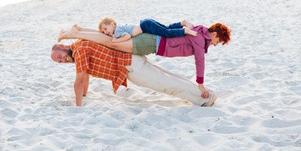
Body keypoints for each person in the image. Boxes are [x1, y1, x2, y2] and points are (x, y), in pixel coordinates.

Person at [57, 22, 231, 99]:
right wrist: (200, 84)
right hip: (149, 43)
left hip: (151, 41)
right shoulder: (200, 39)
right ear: (214, 34)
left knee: (112, 39)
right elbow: (200, 62)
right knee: (112, 42)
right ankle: (74, 33)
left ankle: (79, 29)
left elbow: (172, 28)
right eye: (218, 41)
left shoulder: (197, 31)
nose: (216, 44)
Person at [51, 40, 217, 107]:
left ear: (63, 46)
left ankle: (204, 98)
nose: (62, 61)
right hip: (131, 60)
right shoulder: (79, 47)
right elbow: (84, 75)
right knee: (167, 77)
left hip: (130, 65)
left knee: (165, 84)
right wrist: (84, 95)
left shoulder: (78, 50)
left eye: (60, 57)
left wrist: (78, 106)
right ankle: (203, 93)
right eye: (59, 62)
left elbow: (78, 81)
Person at [97, 16, 197, 43]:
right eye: (104, 32)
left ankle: (185, 30)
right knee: (166, 28)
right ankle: (181, 23)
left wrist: (116, 40)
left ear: (112, 24)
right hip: (146, 23)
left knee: (166, 33)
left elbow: (127, 36)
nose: (106, 32)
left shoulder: (117, 31)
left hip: (146, 26)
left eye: (105, 29)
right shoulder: (118, 28)